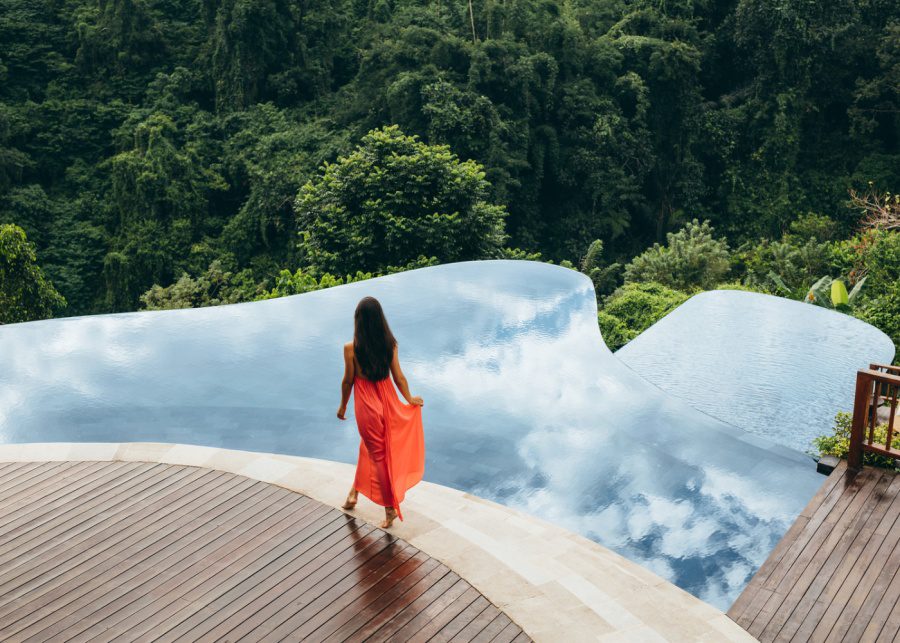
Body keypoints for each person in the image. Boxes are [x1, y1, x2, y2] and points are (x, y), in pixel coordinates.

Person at [337, 296, 425, 528]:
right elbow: (399, 377)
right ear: (379, 320)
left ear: (359, 321)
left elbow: (347, 382)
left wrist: (343, 405)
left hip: (367, 405)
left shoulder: (351, 349)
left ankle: (389, 509)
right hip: (388, 401)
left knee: (377, 456)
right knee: (367, 447)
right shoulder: (390, 344)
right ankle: (353, 495)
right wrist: (409, 399)